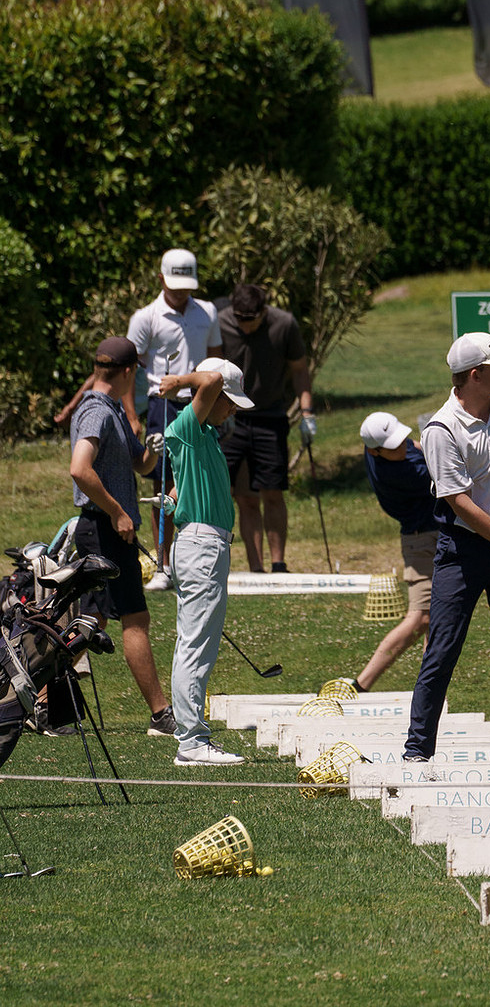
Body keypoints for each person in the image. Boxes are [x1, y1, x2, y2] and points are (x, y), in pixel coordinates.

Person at [403, 333, 490, 761]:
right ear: (475, 375)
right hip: (463, 549)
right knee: (443, 647)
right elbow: (460, 504)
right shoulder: (440, 428)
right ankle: (417, 749)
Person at [68, 336, 175, 737]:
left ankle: (39, 700)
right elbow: (80, 469)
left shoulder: (111, 409)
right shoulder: (96, 411)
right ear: (129, 372)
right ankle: (161, 714)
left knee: (90, 621)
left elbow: (140, 464)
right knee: (135, 619)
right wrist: (117, 512)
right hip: (104, 529)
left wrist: (154, 448)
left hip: (105, 529)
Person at [159, 357, 254, 766]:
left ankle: (192, 737)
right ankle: (192, 741)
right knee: (195, 647)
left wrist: (175, 495)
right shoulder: (188, 425)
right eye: (228, 401)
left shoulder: (204, 434)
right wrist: (181, 380)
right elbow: (212, 379)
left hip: (204, 546)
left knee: (195, 644)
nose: (231, 409)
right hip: (202, 548)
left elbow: (189, 479)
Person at [127, 249, 222, 589]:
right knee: (162, 485)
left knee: (201, 481)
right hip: (162, 406)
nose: (181, 293)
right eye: (175, 286)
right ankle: (163, 565)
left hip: (200, 403)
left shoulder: (208, 312)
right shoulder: (146, 317)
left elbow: (216, 361)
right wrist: (131, 415)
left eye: (186, 287)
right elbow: (129, 368)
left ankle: (198, 560)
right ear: (161, 279)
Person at [216, 283, 315, 574]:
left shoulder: (284, 324)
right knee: (244, 496)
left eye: (251, 320)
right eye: (240, 319)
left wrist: (307, 412)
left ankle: (278, 564)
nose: (245, 326)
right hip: (231, 417)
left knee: (272, 491)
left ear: (264, 311)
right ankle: (256, 568)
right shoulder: (220, 322)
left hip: (270, 417)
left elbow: (299, 369)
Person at [344, 411, 438, 690]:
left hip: (431, 535)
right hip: (423, 542)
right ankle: (361, 684)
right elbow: (442, 470)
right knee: (421, 617)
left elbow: (411, 445)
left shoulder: (380, 446)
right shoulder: (403, 473)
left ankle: (431, 692)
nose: (403, 446)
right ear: (374, 451)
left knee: (437, 618)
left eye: (401, 439)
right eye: (394, 446)